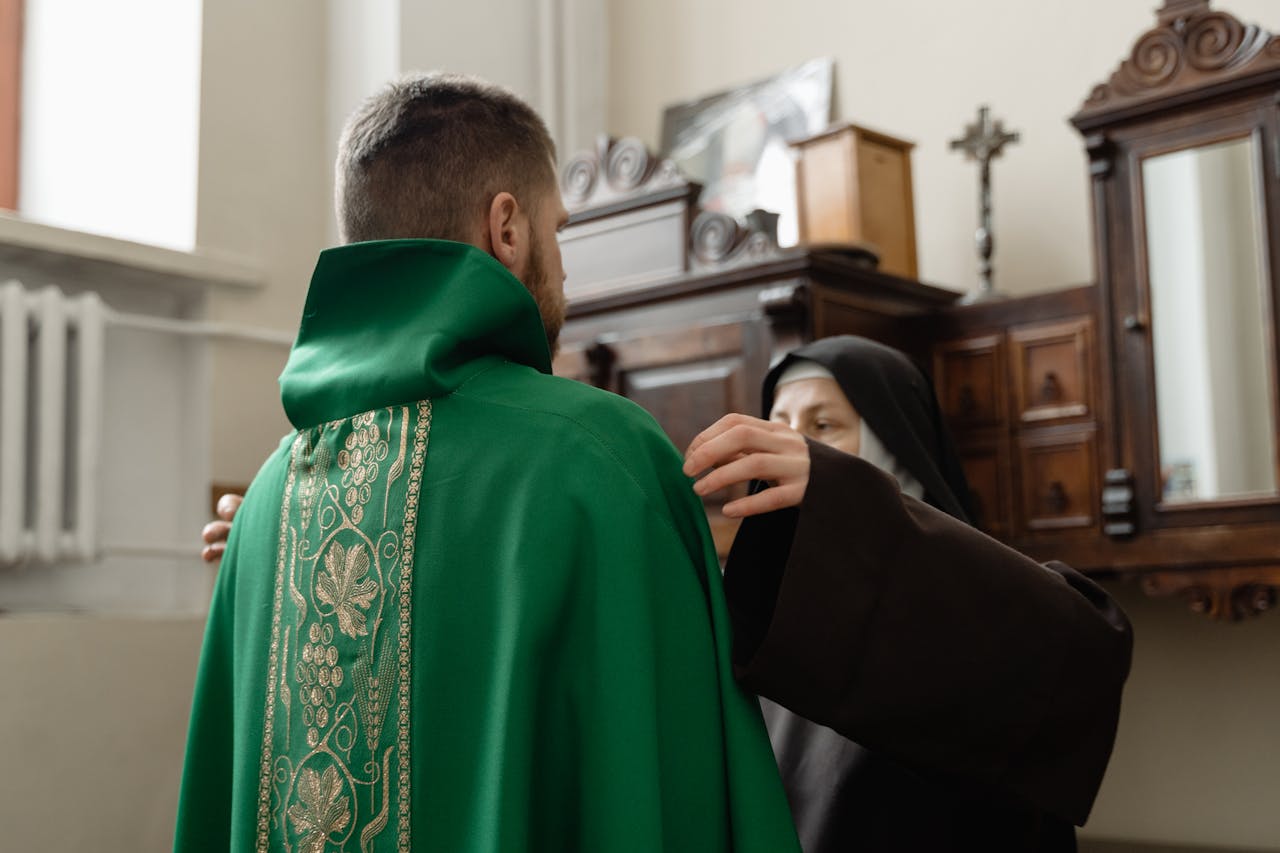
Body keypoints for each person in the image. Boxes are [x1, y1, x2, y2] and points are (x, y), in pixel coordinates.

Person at [176, 72, 802, 853]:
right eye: (558, 232)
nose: (566, 270)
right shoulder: (602, 456)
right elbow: (675, 791)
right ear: (506, 228)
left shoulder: (267, 498)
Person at [682, 335, 1132, 852]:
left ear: (894, 446)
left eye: (823, 426)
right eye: (777, 423)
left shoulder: (980, 594)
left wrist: (840, 491)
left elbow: (1085, 652)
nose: (790, 446)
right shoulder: (764, 614)